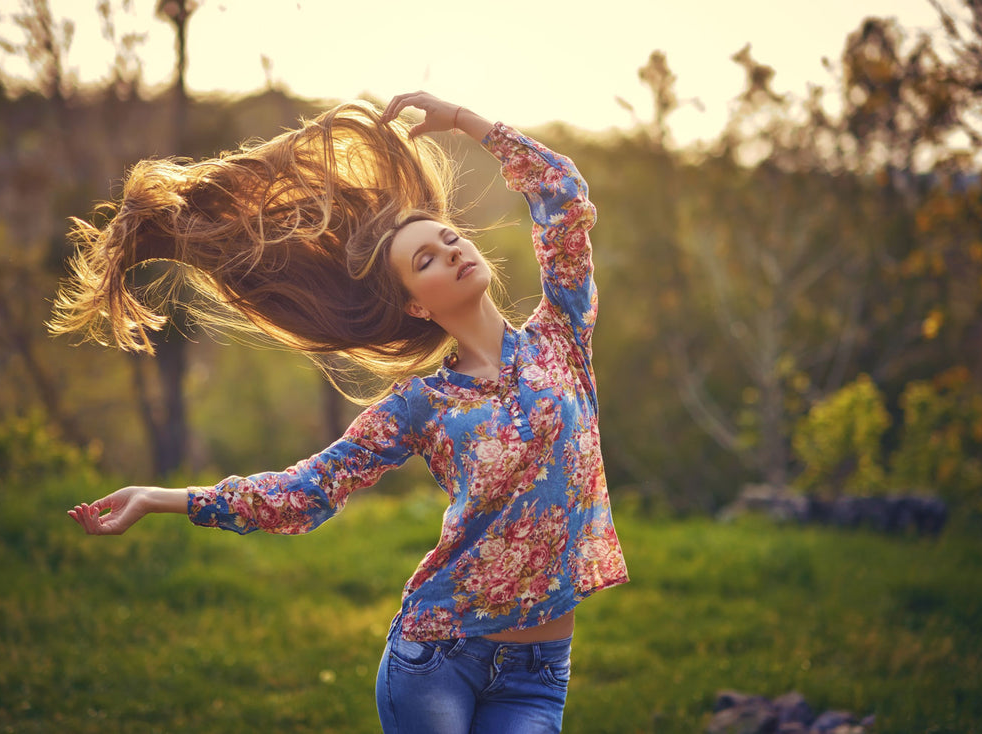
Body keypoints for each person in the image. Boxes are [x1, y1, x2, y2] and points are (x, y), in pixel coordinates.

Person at [59, 91, 628, 733]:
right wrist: (165, 498)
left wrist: (469, 123)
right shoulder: (421, 406)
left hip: (540, 673)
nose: (452, 251)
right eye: (426, 260)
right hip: (438, 656)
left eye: (449, 239)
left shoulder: (563, 335)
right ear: (416, 304)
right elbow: (307, 492)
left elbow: (563, 197)